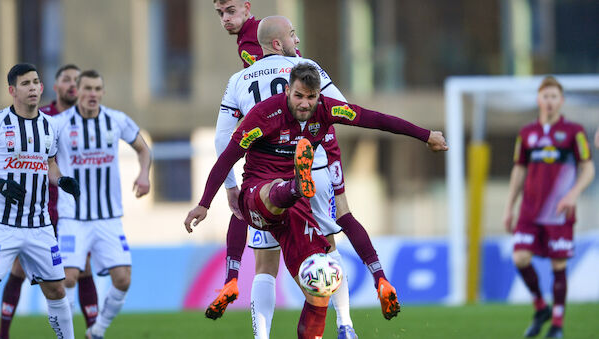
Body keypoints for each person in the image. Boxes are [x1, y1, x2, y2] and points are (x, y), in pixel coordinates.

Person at [185, 62, 448, 338]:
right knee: (273, 192)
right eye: (299, 96)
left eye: (311, 97)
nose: (304, 103)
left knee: (320, 286)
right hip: (258, 194)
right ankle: (296, 187)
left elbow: (375, 119)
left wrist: (426, 135)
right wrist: (204, 203)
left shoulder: (327, 110)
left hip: (297, 208)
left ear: (319, 95)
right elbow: (227, 157)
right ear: (288, 90)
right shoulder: (264, 114)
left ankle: (296, 190)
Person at [211, 0, 397, 329]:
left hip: (266, 172)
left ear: (247, 9)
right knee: (329, 239)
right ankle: (346, 325)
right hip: (315, 161)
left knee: (265, 262)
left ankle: (246, 302)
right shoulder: (304, 66)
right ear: (281, 41)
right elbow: (338, 106)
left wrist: (228, 187)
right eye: (220, 12)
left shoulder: (242, 73)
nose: (225, 19)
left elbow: (223, 141)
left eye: (229, 11)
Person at [0, 64, 100, 339]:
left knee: (56, 289)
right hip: (2, 224)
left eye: (35, 82)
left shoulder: (49, 126)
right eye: (25, 83)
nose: (32, 87)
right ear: (12, 90)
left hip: (40, 226)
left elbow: (50, 165)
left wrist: (62, 180)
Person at [53, 70, 152, 339]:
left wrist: (144, 174)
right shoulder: (59, 124)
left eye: (98, 88)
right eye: (88, 88)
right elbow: (45, 158)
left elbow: (143, 148)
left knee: (123, 279)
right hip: (72, 216)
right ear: (78, 91)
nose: (93, 94)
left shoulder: (116, 120)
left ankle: (96, 331)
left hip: (108, 217)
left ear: (103, 92)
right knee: (67, 279)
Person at [503, 76, 595, 338]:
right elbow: (518, 170)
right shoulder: (526, 134)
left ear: (561, 101)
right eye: (546, 96)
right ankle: (541, 306)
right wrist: (509, 207)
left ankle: (557, 324)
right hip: (530, 211)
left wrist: (573, 194)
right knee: (520, 257)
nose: (550, 101)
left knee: (558, 266)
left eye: (555, 96)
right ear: (538, 100)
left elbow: (588, 167)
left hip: (559, 212)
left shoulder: (574, 132)